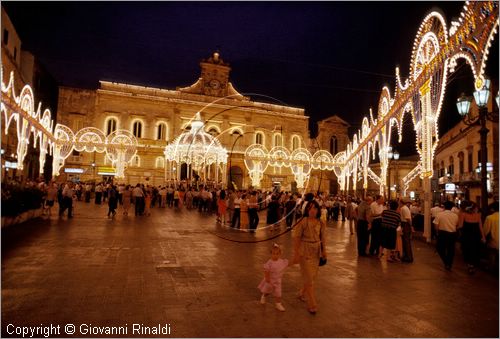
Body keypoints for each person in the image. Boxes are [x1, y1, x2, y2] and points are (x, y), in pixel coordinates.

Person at [292, 200, 327, 315]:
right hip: (305, 251)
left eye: (315, 208)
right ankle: (312, 303)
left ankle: (302, 293)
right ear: (307, 210)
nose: (312, 210)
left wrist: (324, 251)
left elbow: (323, 237)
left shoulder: (320, 222)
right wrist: (296, 253)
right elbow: (297, 237)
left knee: (312, 276)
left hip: (316, 251)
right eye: (310, 208)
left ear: (318, 210)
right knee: (308, 277)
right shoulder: (302, 221)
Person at [258, 243, 289, 312]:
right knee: (267, 291)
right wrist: (267, 278)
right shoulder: (269, 262)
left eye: (277, 254)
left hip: (278, 281)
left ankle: (278, 304)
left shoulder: (281, 261)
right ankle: (263, 296)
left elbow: (287, 264)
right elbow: (266, 270)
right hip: (270, 280)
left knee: (278, 293)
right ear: (271, 254)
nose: (275, 255)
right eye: (273, 254)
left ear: (280, 254)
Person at [458, 201, 485, 274]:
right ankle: (472, 265)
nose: (477, 209)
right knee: (475, 250)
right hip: (476, 235)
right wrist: (483, 237)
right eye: (476, 208)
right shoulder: (479, 215)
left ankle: (470, 266)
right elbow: (480, 227)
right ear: (473, 209)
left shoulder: (463, 214)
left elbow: (460, 226)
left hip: (466, 235)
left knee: (467, 250)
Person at [433, 201, 459, 271]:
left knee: (440, 248)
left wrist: (437, 233)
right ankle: (449, 264)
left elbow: (436, 226)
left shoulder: (439, 214)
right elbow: (457, 225)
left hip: (442, 233)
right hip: (452, 234)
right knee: (451, 250)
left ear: (444, 207)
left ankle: (446, 262)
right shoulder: (455, 215)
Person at [483, 202, 499, 274]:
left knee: (492, 254)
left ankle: (491, 268)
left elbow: (485, 230)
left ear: (492, 209)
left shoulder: (490, 218)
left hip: (494, 241)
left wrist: (483, 238)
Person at [400, 197, 414, 263]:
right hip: (405, 224)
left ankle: (408, 257)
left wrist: (411, 226)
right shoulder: (405, 208)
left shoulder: (404, 208)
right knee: (405, 241)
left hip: (405, 225)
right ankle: (406, 256)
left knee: (406, 241)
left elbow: (408, 219)